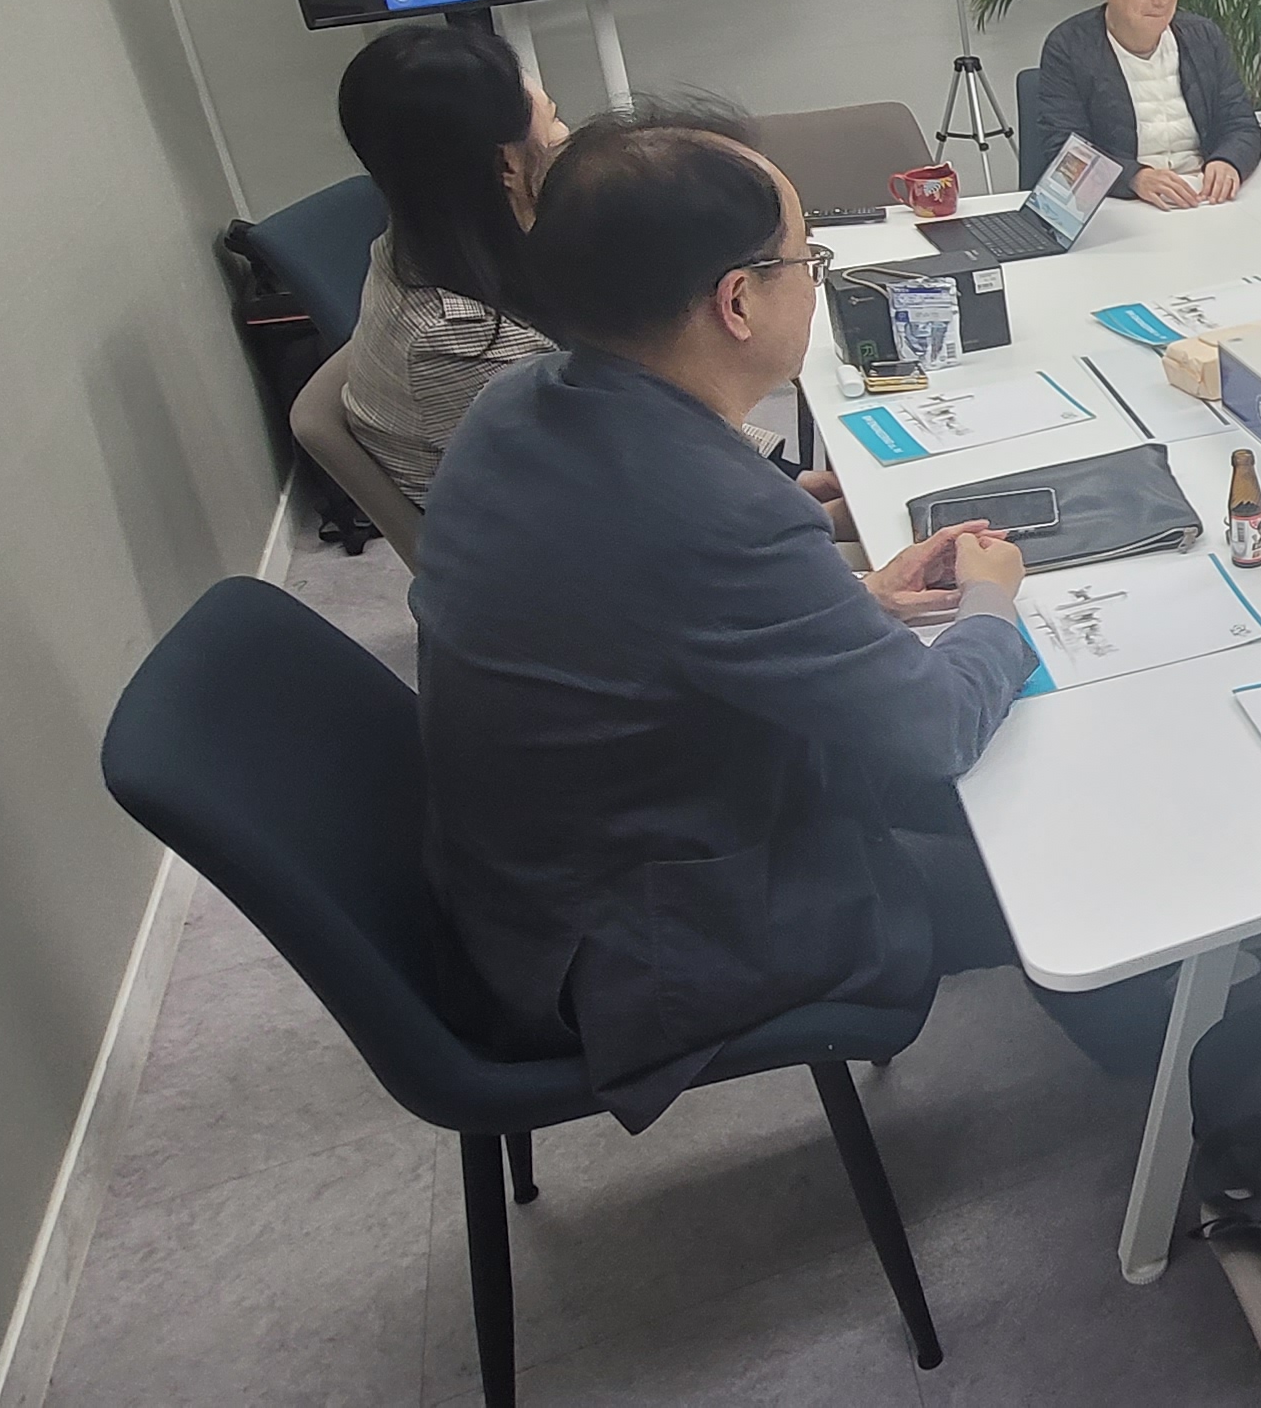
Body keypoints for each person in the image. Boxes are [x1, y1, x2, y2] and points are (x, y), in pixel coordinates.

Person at [412, 103, 1148, 1125]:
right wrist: (991, 599)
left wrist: (842, 587)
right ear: (737, 301)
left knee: (1010, 787)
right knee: (1061, 852)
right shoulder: (713, 518)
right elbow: (934, 728)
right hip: (638, 938)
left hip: (531, 872)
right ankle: (1171, 1053)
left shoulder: (520, 402)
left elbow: (638, 589)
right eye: (808, 259)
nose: (816, 278)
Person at [328, 24, 569, 505]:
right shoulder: (462, 341)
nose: (565, 138)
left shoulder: (420, 239)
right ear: (507, 164)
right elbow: (605, 479)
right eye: (555, 125)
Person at [1023, 0, 1261, 210]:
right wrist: (1134, 178)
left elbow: (1242, 126)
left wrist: (1228, 161)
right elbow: (1066, 152)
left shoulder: (1203, 37)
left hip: (1204, 201)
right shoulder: (1070, 46)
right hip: (1123, 208)